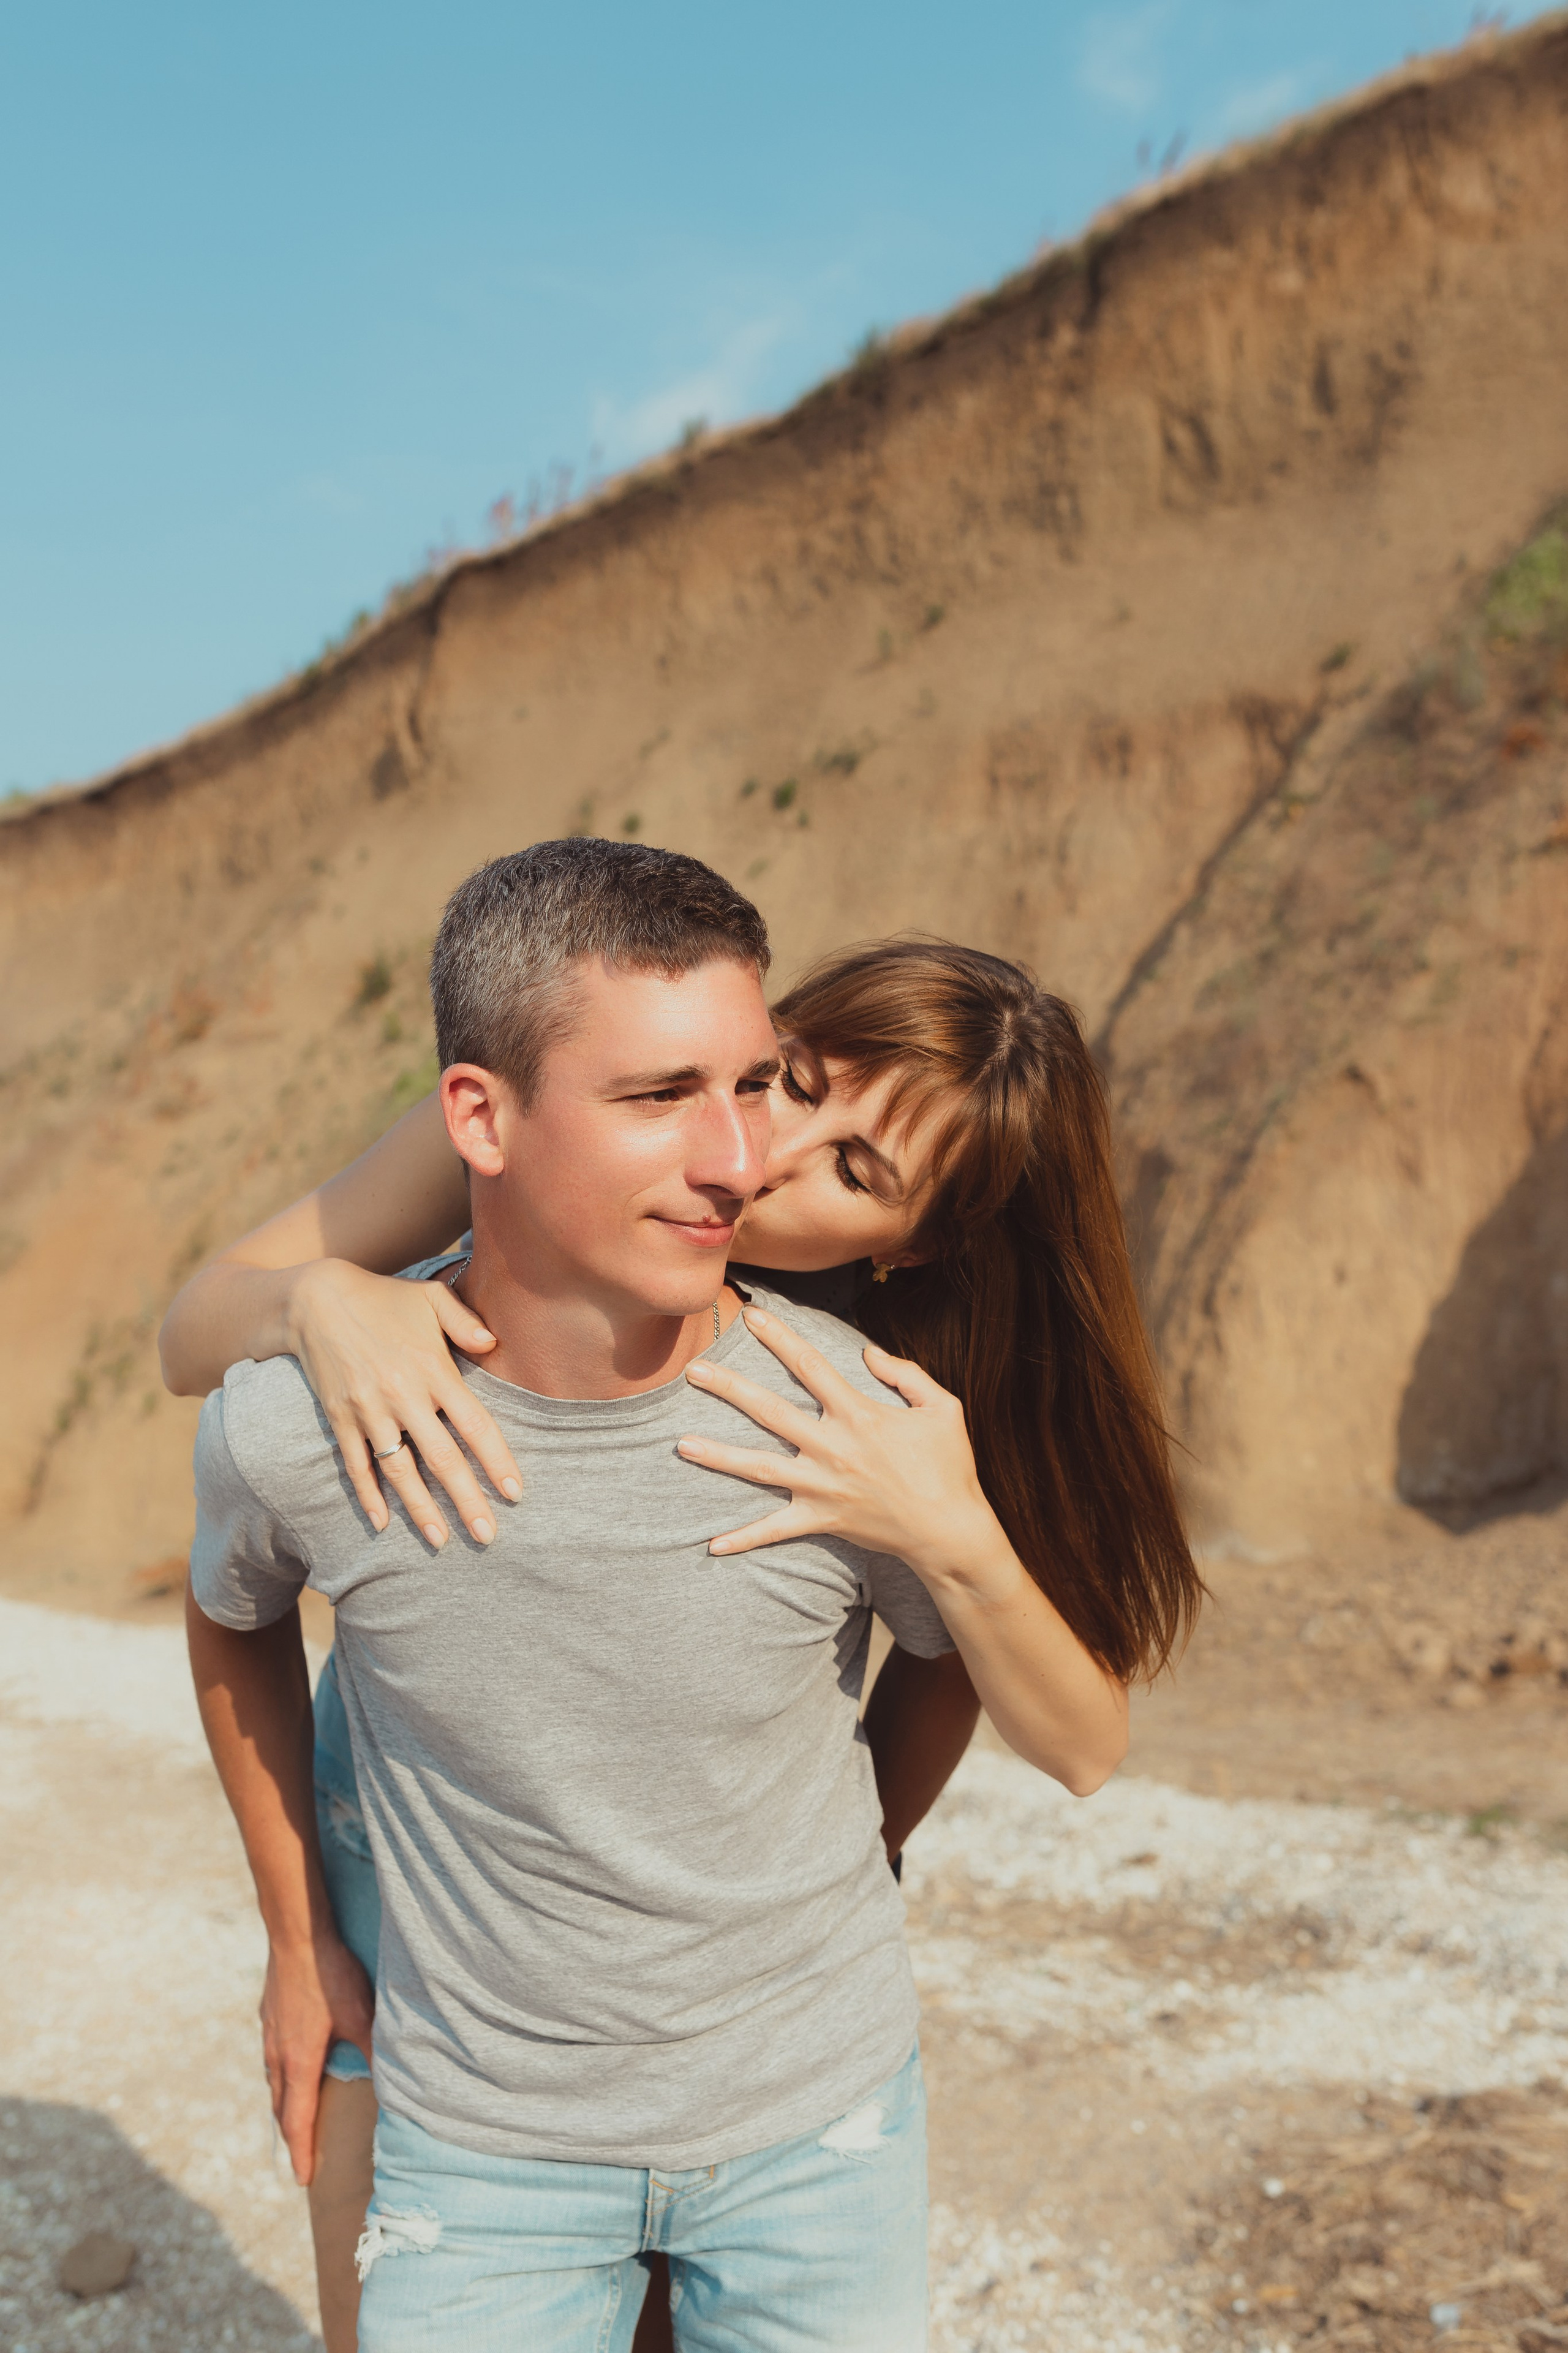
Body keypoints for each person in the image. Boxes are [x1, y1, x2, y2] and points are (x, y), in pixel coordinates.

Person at [171, 844, 1199, 2349]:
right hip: (412, 1812)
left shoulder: (899, 1394)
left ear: (907, 1246)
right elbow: (193, 1336)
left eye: (853, 1172)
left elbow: (1001, 1692)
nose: (756, 1155)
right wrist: (317, 1296)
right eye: (790, 1081)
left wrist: (830, 1855)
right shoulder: (543, 1123)